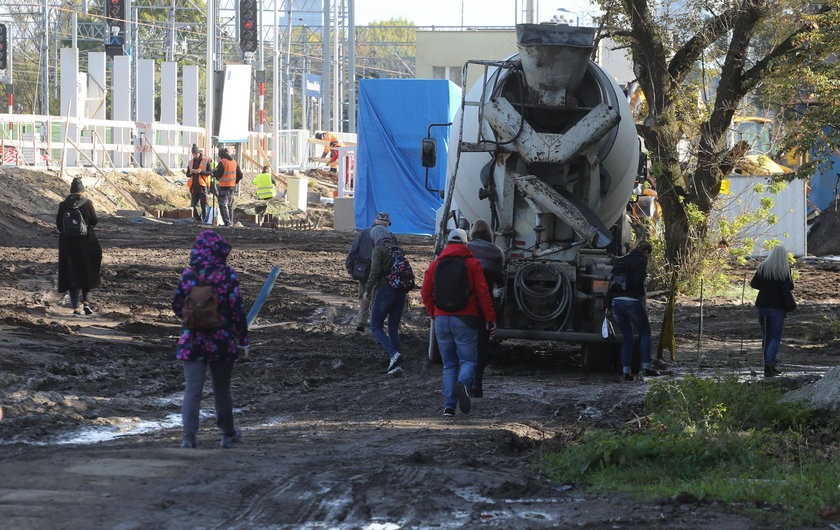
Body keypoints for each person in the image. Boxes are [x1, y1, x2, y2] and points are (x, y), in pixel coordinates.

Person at [172, 230, 249, 449]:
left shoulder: (189, 276)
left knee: (192, 389)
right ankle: (227, 435)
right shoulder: (228, 275)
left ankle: (188, 438)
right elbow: (237, 310)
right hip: (222, 340)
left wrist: (193, 320)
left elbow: (177, 304)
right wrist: (243, 339)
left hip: (192, 339)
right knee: (222, 390)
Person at [421, 228, 497, 417]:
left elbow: (425, 292)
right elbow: (483, 293)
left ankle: (449, 407)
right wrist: (490, 318)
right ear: (465, 243)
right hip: (466, 318)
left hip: (441, 319)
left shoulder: (435, 264)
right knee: (468, 360)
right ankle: (463, 385)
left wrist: (434, 313)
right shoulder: (472, 264)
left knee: (448, 364)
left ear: (447, 243)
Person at [606, 240, 659, 381]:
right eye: (649, 254)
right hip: (631, 301)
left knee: (627, 337)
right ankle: (647, 367)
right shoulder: (641, 261)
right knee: (645, 331)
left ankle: (626, 371)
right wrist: (640, 293)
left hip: (616, 302)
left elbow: (611, 284)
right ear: (647, 252)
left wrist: (607, 305)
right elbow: (637, 282)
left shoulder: (621, 260)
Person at [466, 219, 504, 398]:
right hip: (484, 304)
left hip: (464, 303)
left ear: (472, 232)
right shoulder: (496, 252)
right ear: (490, 233)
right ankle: (477, 383)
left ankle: (462, 382)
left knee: (464, 345)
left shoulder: (466, 250)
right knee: (482, 346)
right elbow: (500, 282)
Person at [56, 177, 102, 316]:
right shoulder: (87, 203)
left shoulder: (63, 205)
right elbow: (94, 221)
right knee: (86, 273)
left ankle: (75, 308)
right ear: (82, 191)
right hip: (87, 243)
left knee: (71, 275)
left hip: (68, 245)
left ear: (71, 191)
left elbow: (59, 225)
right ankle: (86, 303)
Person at [365, 225, 406, 375]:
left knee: (376, 326)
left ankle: (393, 354)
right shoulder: (397, 249)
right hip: (400, 292)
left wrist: (368, 289)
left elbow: (375, 271)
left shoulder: (379, 249)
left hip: (385, 292)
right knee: (393, 329)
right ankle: (396, 365)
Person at [750, 245, 794, 377]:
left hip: (762, 305)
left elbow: (754, 284)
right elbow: (790, 287)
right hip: (777, 308)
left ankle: (768, 364)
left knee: (767, 335)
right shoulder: (784, 270)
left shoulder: (763, 267)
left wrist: (766, 286)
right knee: (775, 337)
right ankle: (769, 364)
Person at [345, 212, 391, 332]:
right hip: (380, 273)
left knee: (364, 297)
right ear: (386, 223)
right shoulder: (389, 235)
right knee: (377, 299)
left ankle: (361, 322)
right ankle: (376, 324)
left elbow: (353, 251)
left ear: (376, 221)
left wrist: (350, 269)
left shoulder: (364, 232)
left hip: (363, 272)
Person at [213, 147, 243, 227]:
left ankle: (227, 222)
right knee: (230, 205)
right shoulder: (234, 162)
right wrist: (234, 181)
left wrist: (214, 172)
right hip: (232, 186)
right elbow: (240, 175)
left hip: (224, 186)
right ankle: (231, 222)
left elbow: (219, 174)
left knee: (223, 204)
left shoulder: (222, 162)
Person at [185, 144, 213, 221]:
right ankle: (198, 220)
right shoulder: (191, 162)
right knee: (195, 204)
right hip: (194, 186)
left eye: (195, 154)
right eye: (193, 154)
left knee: (204, 204)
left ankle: (205, 219)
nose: (194, 155)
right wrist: (190, 172)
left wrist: (201, 172)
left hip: (203, 186)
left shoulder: (206, 161)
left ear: (199, 153)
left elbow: (211, 172)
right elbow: (187, 174)